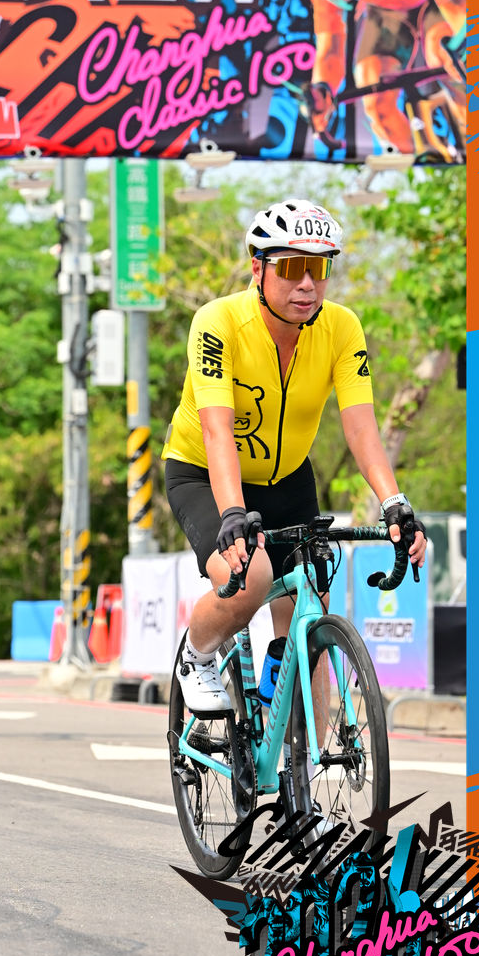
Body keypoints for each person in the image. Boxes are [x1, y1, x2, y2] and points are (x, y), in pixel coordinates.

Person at [162, 197, 427, 723]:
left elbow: (361, 427)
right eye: (291, 268)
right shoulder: (217, 322)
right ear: (257, 268)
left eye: (319, 269)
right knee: (251, 578)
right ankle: (197, 654)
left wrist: (394, 502)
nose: (307, 284)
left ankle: (303, 763)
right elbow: (217, 430)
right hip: (206, 474)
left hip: (287, 479)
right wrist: (233, 513)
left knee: (310, 615)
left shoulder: (342, 327)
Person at [299, 0, 466, 155]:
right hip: (384, 15)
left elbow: (455, 2)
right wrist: (322, 90)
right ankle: (418, 164)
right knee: (376, 104)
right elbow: (330, 47)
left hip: (432, 1)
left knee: (446, 56)